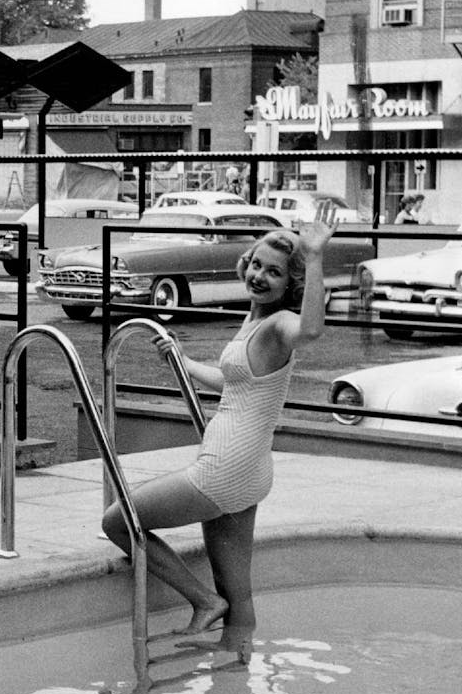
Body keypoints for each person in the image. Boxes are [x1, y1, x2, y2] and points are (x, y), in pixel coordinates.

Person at [101, 203, 339, 655]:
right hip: (249, 469)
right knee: (241, 595)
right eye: (255, 265)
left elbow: (310, 332)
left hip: (225, 469)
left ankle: (202, 600)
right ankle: (233, 693)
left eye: (274, 272)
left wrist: (314, 256)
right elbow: (236, 382)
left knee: (118, 521)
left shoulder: (278, 326)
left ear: (292, 283)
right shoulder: (254, 321)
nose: (259, 277)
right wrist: (184, 362)